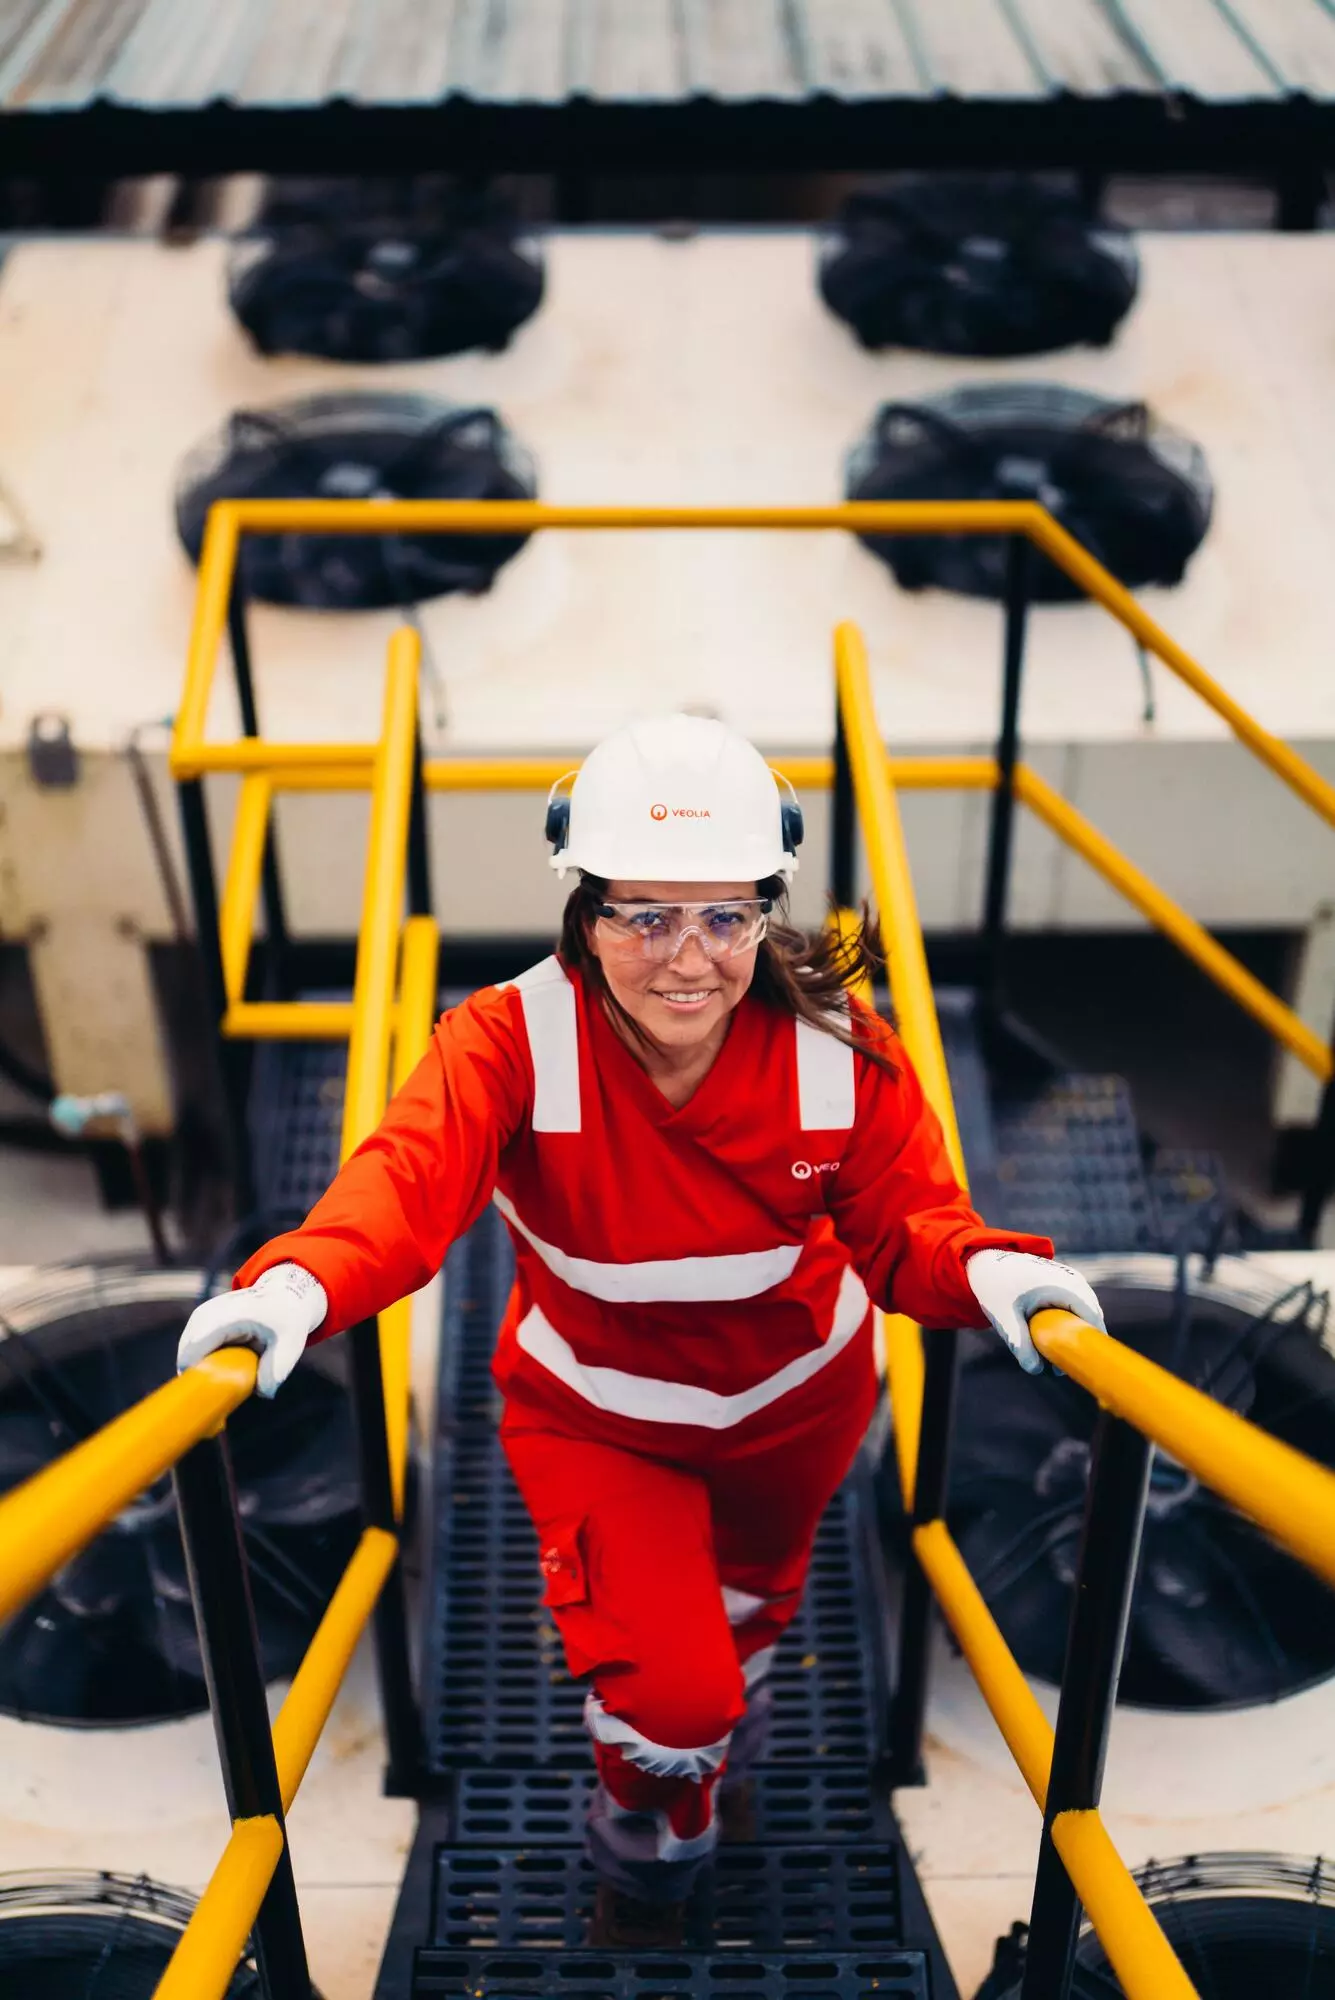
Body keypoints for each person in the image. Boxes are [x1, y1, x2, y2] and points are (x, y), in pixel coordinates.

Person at [178, 714, 1105, 1946]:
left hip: (795, 1412)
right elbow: (404, 1181)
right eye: (644, 914)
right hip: (600, 1419)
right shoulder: (508, 1042)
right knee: (671, 1699)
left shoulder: (839, 1051)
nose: (688, 958)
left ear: (767, 908)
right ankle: (653, 1858)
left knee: (754, 1615)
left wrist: (996, 1273)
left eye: (726, 915)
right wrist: (293, 1289)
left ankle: (723, 1752)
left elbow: (911, 1223)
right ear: (584, 906)